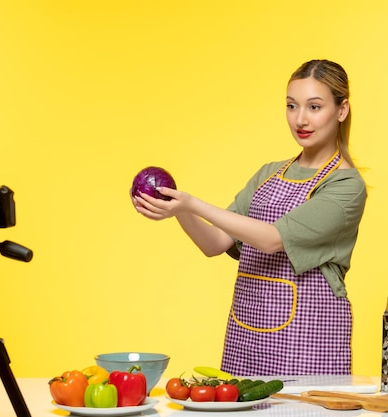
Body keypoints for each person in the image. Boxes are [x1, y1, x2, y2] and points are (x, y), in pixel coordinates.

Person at [132, 59, 366, 376]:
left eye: (314, 107)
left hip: (308, 337)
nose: (300, 119)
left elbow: (271, 239)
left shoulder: (346, 186)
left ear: (341, 110)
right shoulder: (269, 174)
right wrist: (180, 210)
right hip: (248, 333)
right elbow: (215, 243)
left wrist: (193, 203)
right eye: (291, 105)